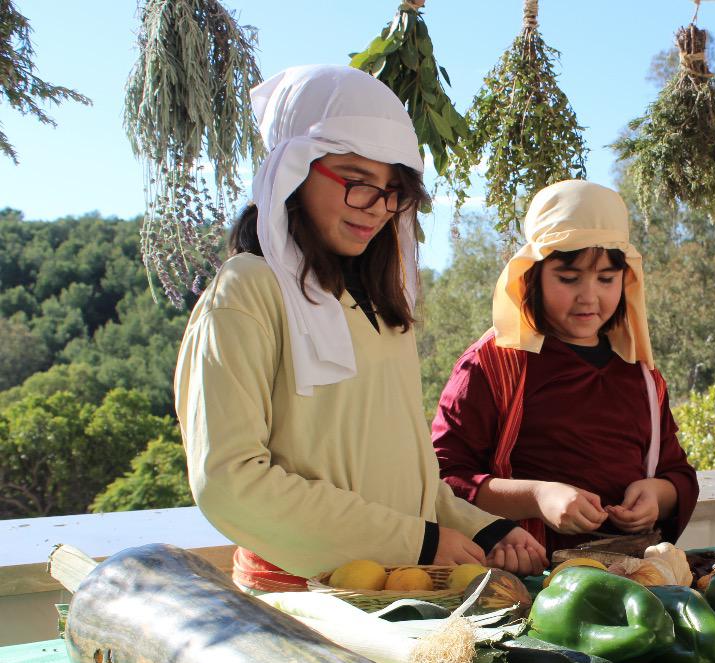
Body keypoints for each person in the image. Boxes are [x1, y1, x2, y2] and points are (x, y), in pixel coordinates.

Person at [174, 64, 546, 592]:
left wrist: (485, 530)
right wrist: (415, 542)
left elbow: (408, 482)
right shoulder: (249, 290)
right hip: (300, 600)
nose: (377, 209)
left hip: (400, 590)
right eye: (356, 182)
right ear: (294, 171)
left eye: (393, 190)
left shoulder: (380, 310)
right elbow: (229, 481)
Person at [431, 179, 698, 555]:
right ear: (533, 277)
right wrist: (537, 496)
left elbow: (678, 475)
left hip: (632, 572)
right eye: (568, 278)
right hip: (531, 579)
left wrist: (658, 495)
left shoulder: (642, 377)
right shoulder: (492, 365)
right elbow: (444, 478)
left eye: (607, 279)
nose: (589, 297)